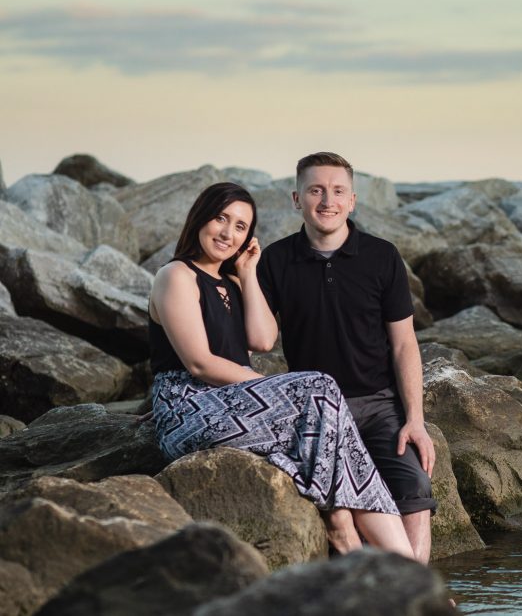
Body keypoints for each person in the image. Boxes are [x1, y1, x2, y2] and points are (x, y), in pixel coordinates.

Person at [147, 181, 413, 558]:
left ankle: (398, 566)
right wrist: (272, 384)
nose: (227, 233)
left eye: (240, 227)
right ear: (200, 218)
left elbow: (262, 339)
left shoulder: (234, 281)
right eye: (221, 218)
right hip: (189, 406)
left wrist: (250, 271)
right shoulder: (176, 276)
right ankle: (345, 528)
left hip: (233, 402)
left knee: (333, 432)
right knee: (319, 389)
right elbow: (199, 363)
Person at [257, 152, 436, 563]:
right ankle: (409, 593)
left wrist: (415, 419)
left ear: (352, 200)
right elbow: (249, 339)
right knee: (344, 497)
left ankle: (412, 596)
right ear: (295, 198)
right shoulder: (275, 260)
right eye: (315, 190)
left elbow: (405, 344)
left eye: (338, 191)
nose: (327, 201)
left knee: (415, 488)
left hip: (378, 405)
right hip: (315, 412)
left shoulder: (382, 256)